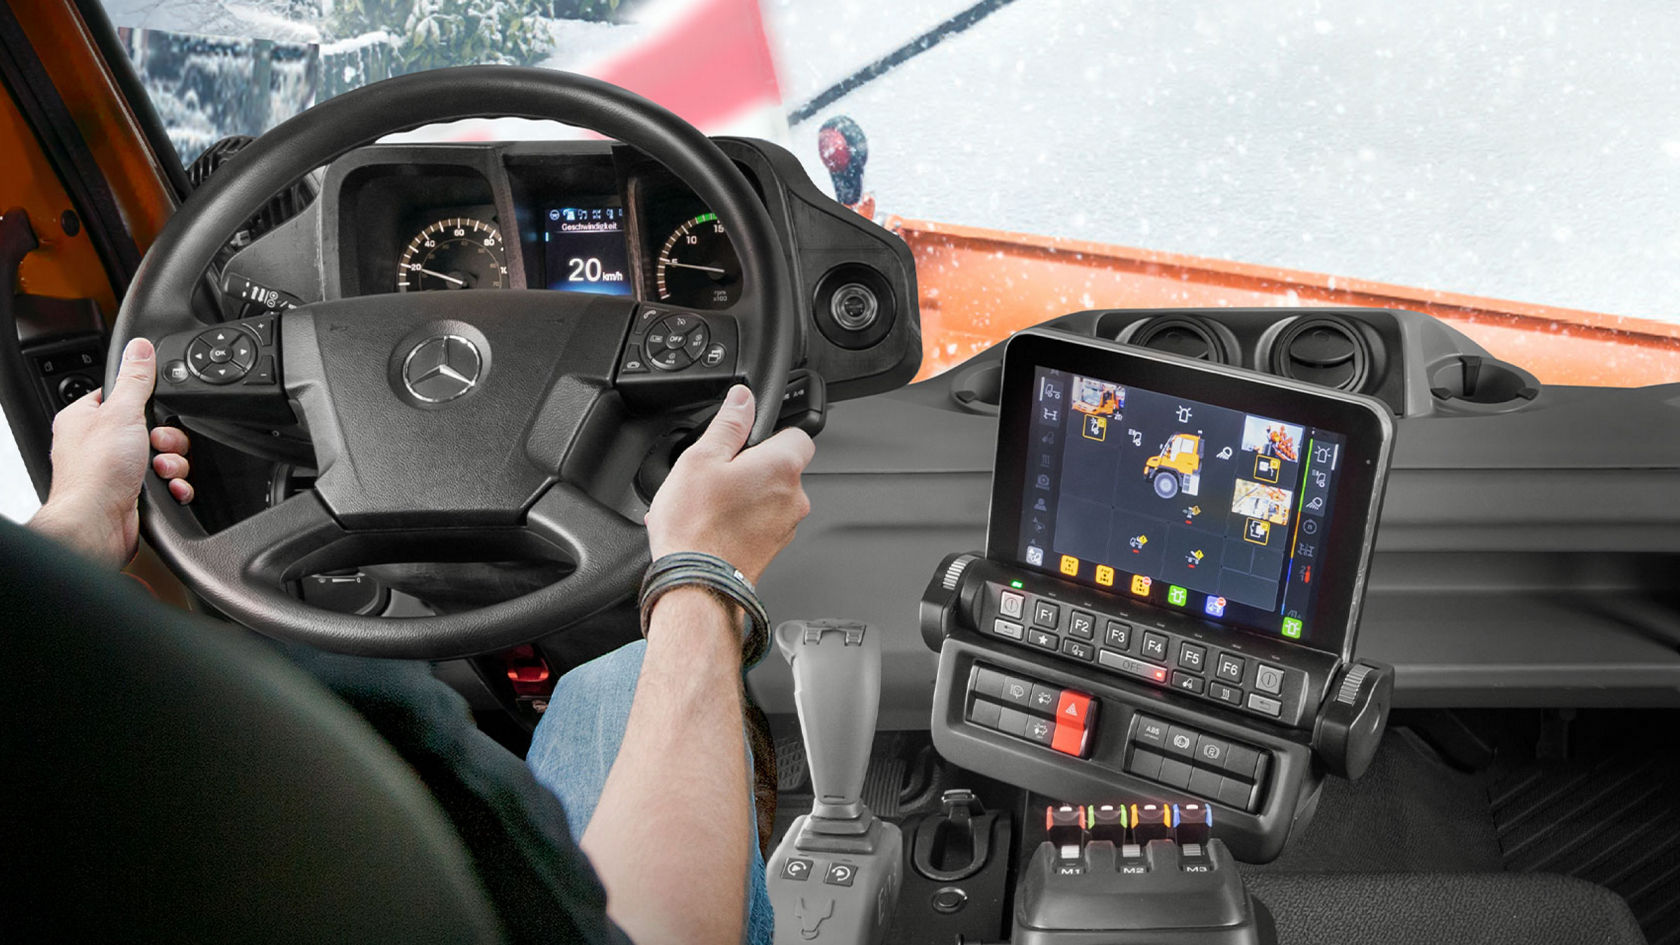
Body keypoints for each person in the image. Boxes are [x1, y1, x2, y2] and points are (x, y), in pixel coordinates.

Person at [26, 336, 813, 945]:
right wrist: (702, 573)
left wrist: (75, 526)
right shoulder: (380, 729)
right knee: (648, 673)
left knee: (607, 681)